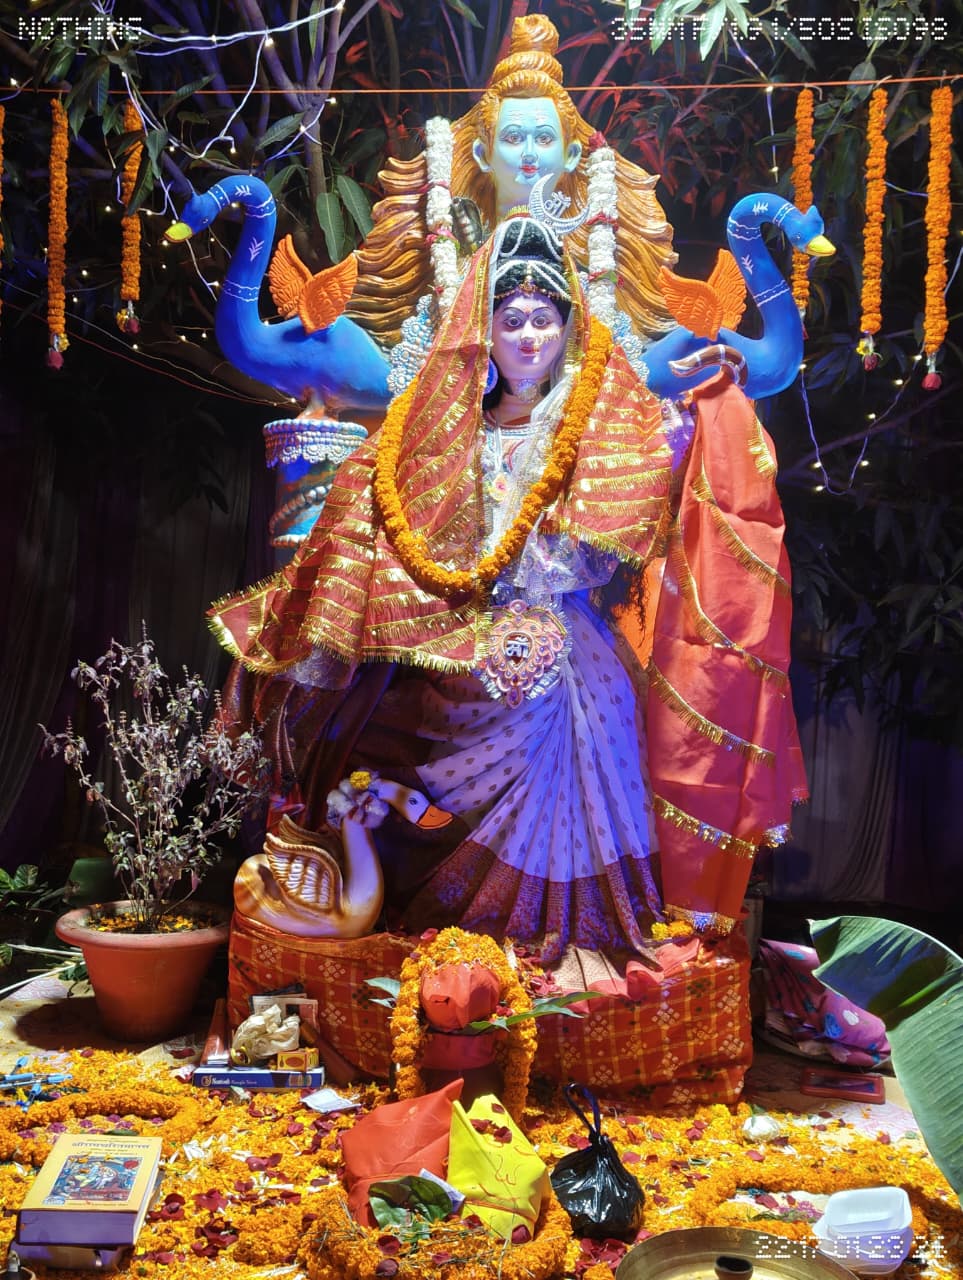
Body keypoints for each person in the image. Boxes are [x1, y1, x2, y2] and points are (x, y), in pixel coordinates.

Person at [212, 210, 805, 962]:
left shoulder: (597, 426)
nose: (528, 336)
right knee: (428, 773)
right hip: (465, 643)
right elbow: (396, 514)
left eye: (543, 320)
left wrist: (711, 401)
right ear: (483, 331)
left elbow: (649, 491)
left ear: (568, 329)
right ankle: (459, 945)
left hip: (575, 656)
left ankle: (576, 940)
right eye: (512, 320)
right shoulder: (443, 433)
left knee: (589, 783)